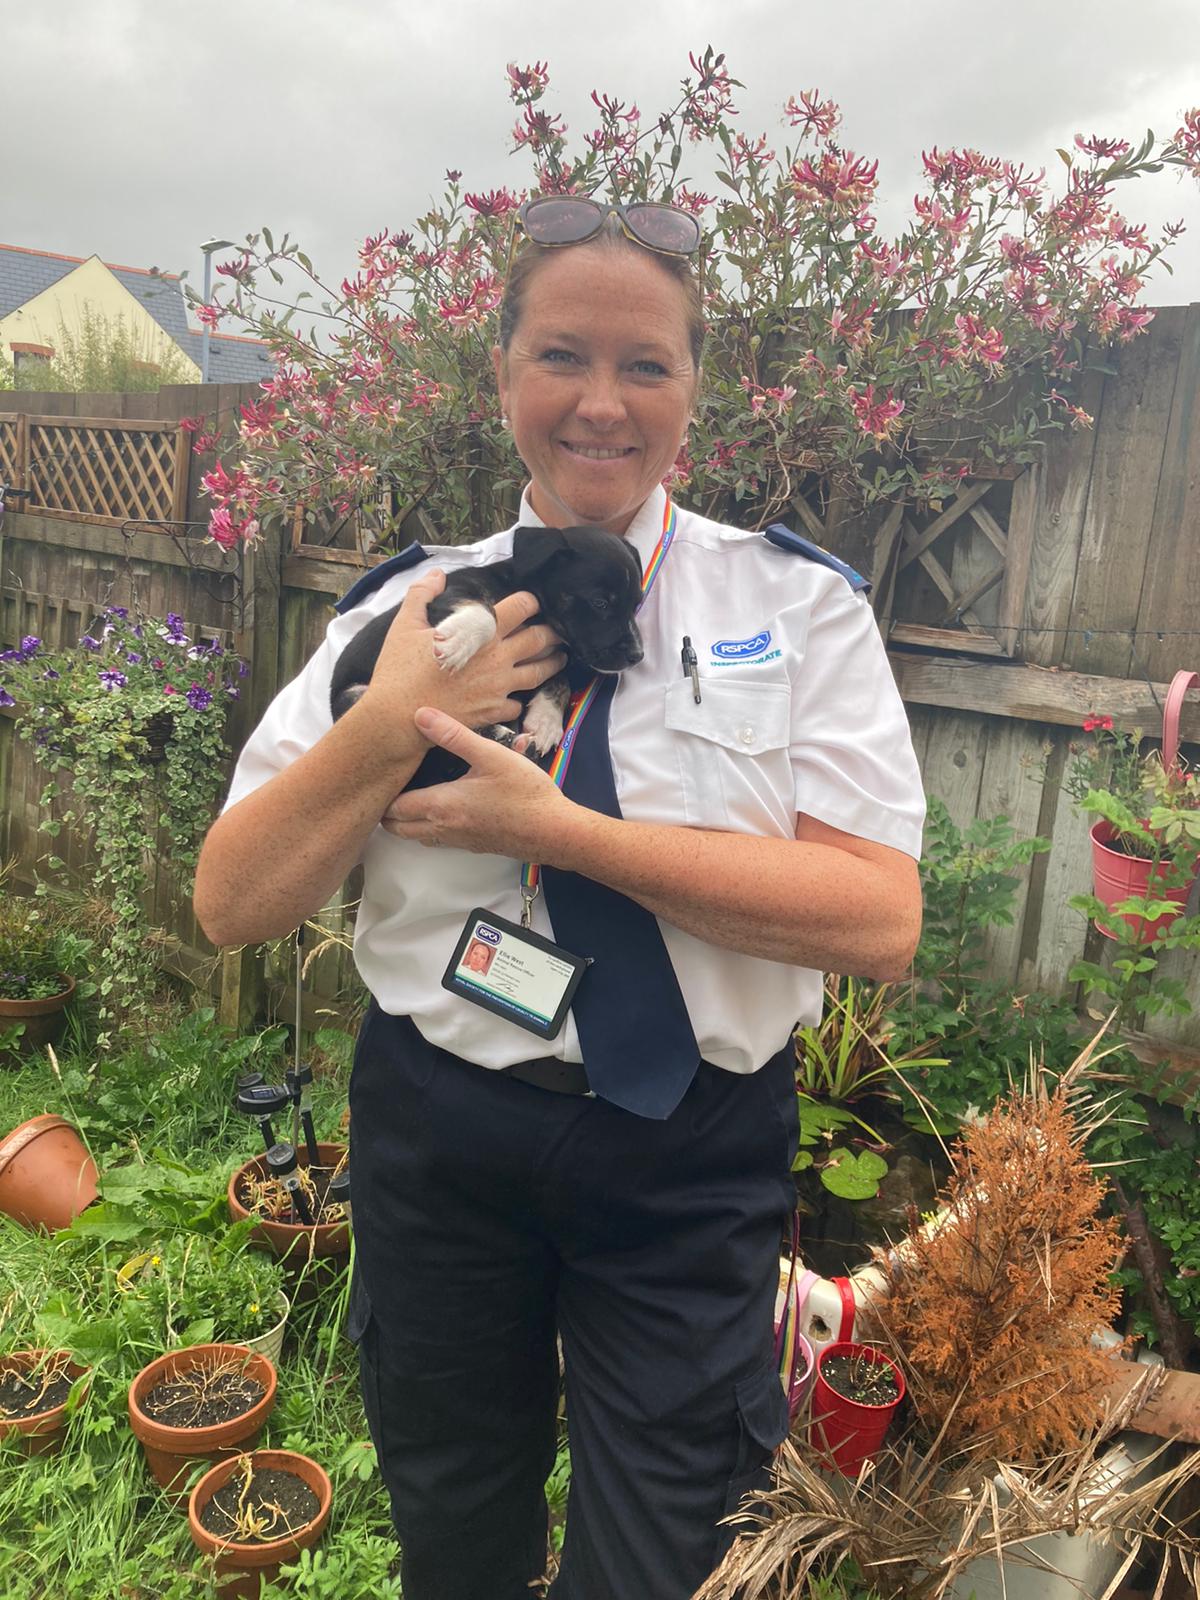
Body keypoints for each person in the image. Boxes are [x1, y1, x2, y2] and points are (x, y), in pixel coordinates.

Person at [194, 197, 925, 1600]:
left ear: (693, 390)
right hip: (441, 1133)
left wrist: (570, 835)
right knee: (455, 1516)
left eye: (646, 364)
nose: (603, 402)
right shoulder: (394, 619)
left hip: (689, 1154)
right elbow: (232, 901)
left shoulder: (799, 607)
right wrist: (387, 723)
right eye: (563, 357)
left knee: (664, 1545)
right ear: (504, 377)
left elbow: (874, 920)